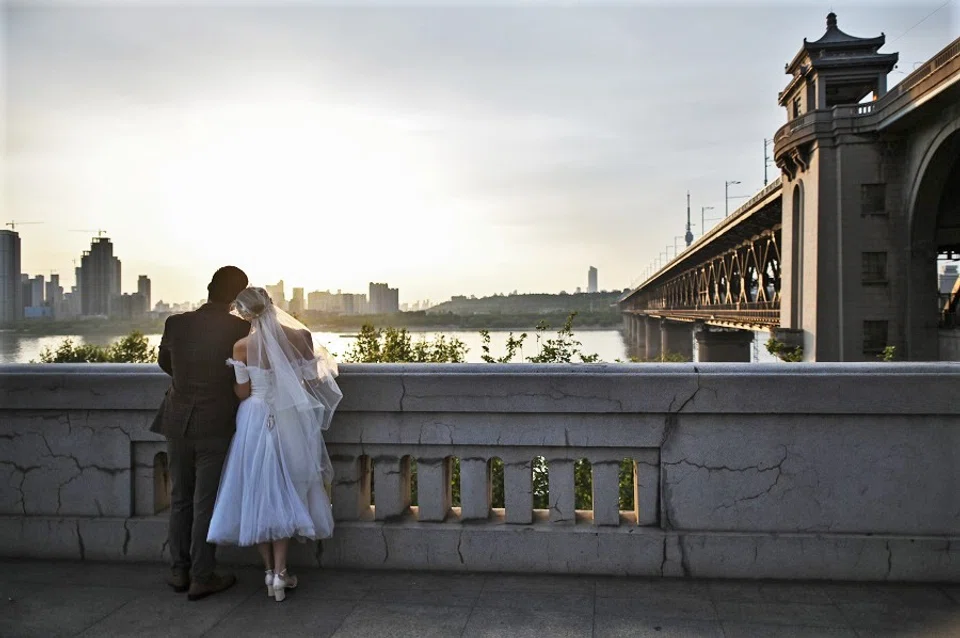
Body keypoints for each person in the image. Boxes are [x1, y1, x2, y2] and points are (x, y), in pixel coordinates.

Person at [207, 287, 342, 602]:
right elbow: (313, 382)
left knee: (258, 487)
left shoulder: (241, 347)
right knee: (286, 487)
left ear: (244, 314)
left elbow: (242, 393)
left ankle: (270, 572)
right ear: (271, 305)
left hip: (253, 416)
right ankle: (282, 573)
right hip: (288, 417)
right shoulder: (300, 336)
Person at [151, 266, 250, 601]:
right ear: (236, 299)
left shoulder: (175, 323)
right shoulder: (240, 327)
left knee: (180, 498)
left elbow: (165, 363)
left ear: (208, 287)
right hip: (216, 422)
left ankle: (179, 571)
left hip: (177, 420)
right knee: (205, 501)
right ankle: (202, 576)